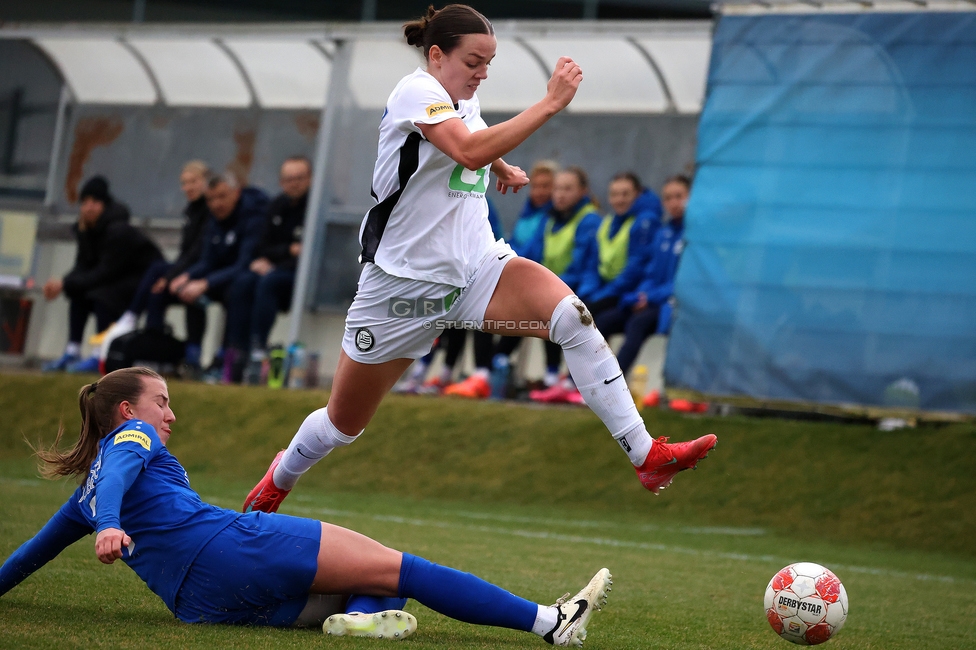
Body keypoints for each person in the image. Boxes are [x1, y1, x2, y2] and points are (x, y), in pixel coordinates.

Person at [243, 3, 716, 515]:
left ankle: (646, 455)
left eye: (489, 62)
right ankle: (281, 476)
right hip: (402, 290)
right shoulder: (416, 92)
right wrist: (549, 105)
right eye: (474, 61)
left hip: (476, 269)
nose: (482, 73)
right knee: (341, 424)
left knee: (573, 320)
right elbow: (464, 149)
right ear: (437, 54)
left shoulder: (458, 96)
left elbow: (473, 140)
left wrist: (503, 166)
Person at [0, 368, 612, 646]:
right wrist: (109, 526)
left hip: (200, 606)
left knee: (366, 587)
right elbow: (123, 476)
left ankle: (364, 620)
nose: (170, 414)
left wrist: (100, 520)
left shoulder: (85, 488)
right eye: (161, 401)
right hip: (234, 545)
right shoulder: (130, 439)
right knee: (403, 569)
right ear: (128, 412)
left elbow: (28, 556)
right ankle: (550, 622)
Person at [153, 172, 268, 382]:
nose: (216, 204)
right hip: (219, 276)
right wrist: (186, 276)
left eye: (222, 197)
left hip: (244, 279)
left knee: (238, 290)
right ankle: (192, 357)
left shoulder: (253, 217)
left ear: (236, 193)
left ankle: (226, 359)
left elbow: (244, 263)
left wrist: (205, 283)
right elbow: (208, 260)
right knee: (186, 290)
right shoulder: (214, 220)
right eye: (211, 199)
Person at [42, 176, 163, 374]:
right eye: (85, 202)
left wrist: (64, 284)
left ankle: (101, 355)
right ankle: (72, 350)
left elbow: (105, 272)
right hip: (117, 277)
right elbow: (82, 266)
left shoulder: (118, 230)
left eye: (95, 202)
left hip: (145, 279)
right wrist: (64, 283)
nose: (89, 207)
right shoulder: (85, 229)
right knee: (78, 292)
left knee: (102, 294)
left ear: (104, 205)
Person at [99, 161, 212, 371]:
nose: (188, 187)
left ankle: (132, 319)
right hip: (189, 270)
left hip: (206, 272)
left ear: (207, 182)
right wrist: (171, 276)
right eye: (184, 183)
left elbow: (198, 252)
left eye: (194, 181)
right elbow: (186, 253)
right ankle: (153, 340)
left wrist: (172, 276)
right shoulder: (191, 211)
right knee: (156, 286)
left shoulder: (211, 210)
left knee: (163, 274)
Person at [225, 157, 311, 383]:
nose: (294, 184)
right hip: (278, 267)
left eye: (299, 178)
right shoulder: (276, 205)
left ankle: (258, 347)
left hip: (304, 277)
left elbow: (312, 253)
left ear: (310, 179)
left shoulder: (319, 206)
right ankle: (237, 350)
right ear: (281, 182)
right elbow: (262, 246)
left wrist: (276, 260)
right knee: (243, 282)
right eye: (289, 179)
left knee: (268, 282)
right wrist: (287, 251)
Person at [595, 175, 690, 378]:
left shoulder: (694, 237)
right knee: (603, 321)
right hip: (650, 300)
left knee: (637, 324)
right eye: (668, 198)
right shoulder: (663, 233)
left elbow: (684, 281)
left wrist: (650, 297)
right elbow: (650, 272)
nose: (674, 203)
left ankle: (612, 384)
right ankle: (579, 381)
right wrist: (640, 295)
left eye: (679, 196)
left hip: (672, 304)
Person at [522, 167, 602, 403]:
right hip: (555, 286)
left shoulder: (590, 220)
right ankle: (547, 378)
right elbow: (529, 256)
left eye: (568, 189)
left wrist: (548, 288)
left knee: (559, 312)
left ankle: (569, 383)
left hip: (580, 288)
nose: (560, 194)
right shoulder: (548, 219)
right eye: (557, 189)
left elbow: (583, 266)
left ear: (583, 191)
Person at [577, 172, 662, 316]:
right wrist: (587, 293)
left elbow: (635, 268)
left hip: (628, 293)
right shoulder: (608, 222)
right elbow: (593, 264)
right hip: (606, 290)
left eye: (625, 194)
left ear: (637, 194)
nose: (619, 200)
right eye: (614, 194)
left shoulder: (645, 222)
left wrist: (601, 296)